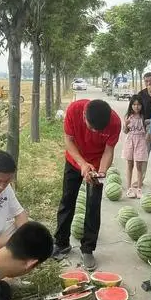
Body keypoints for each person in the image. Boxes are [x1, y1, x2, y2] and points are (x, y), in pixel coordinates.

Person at [52, 99, 121, 270]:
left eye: (99, 130)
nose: (95, 132)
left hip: (97, 164)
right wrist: (82, 164)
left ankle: (88, 248)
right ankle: (61, 242)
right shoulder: (74, 110)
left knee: (93, 205)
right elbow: (68, 141)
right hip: (75, 160)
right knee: (67, 200)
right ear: (84, 115)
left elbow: (108, 150)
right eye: (91, 128)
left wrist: (102, 172)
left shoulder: (114, 122)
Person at [122, 95, 149, 199]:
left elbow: (147, 131)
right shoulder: (128, 116)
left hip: (141, 142)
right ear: (131, 105)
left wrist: (147, 137)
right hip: (130, 141)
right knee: (129, 164)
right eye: (134, 104)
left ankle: (139, 189)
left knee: (139, 165)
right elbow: (125, 131)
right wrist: (126, 124)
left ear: (142, 105)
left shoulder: (143, 117)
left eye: (138, 104)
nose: (136, 107)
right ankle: (129, 188)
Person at [137, 72, 151, 188]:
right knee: (143, 156)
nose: (149, 83)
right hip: (145, 129)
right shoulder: (141, 95)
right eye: (146, 81)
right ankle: (140, 180)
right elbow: (136, 111)